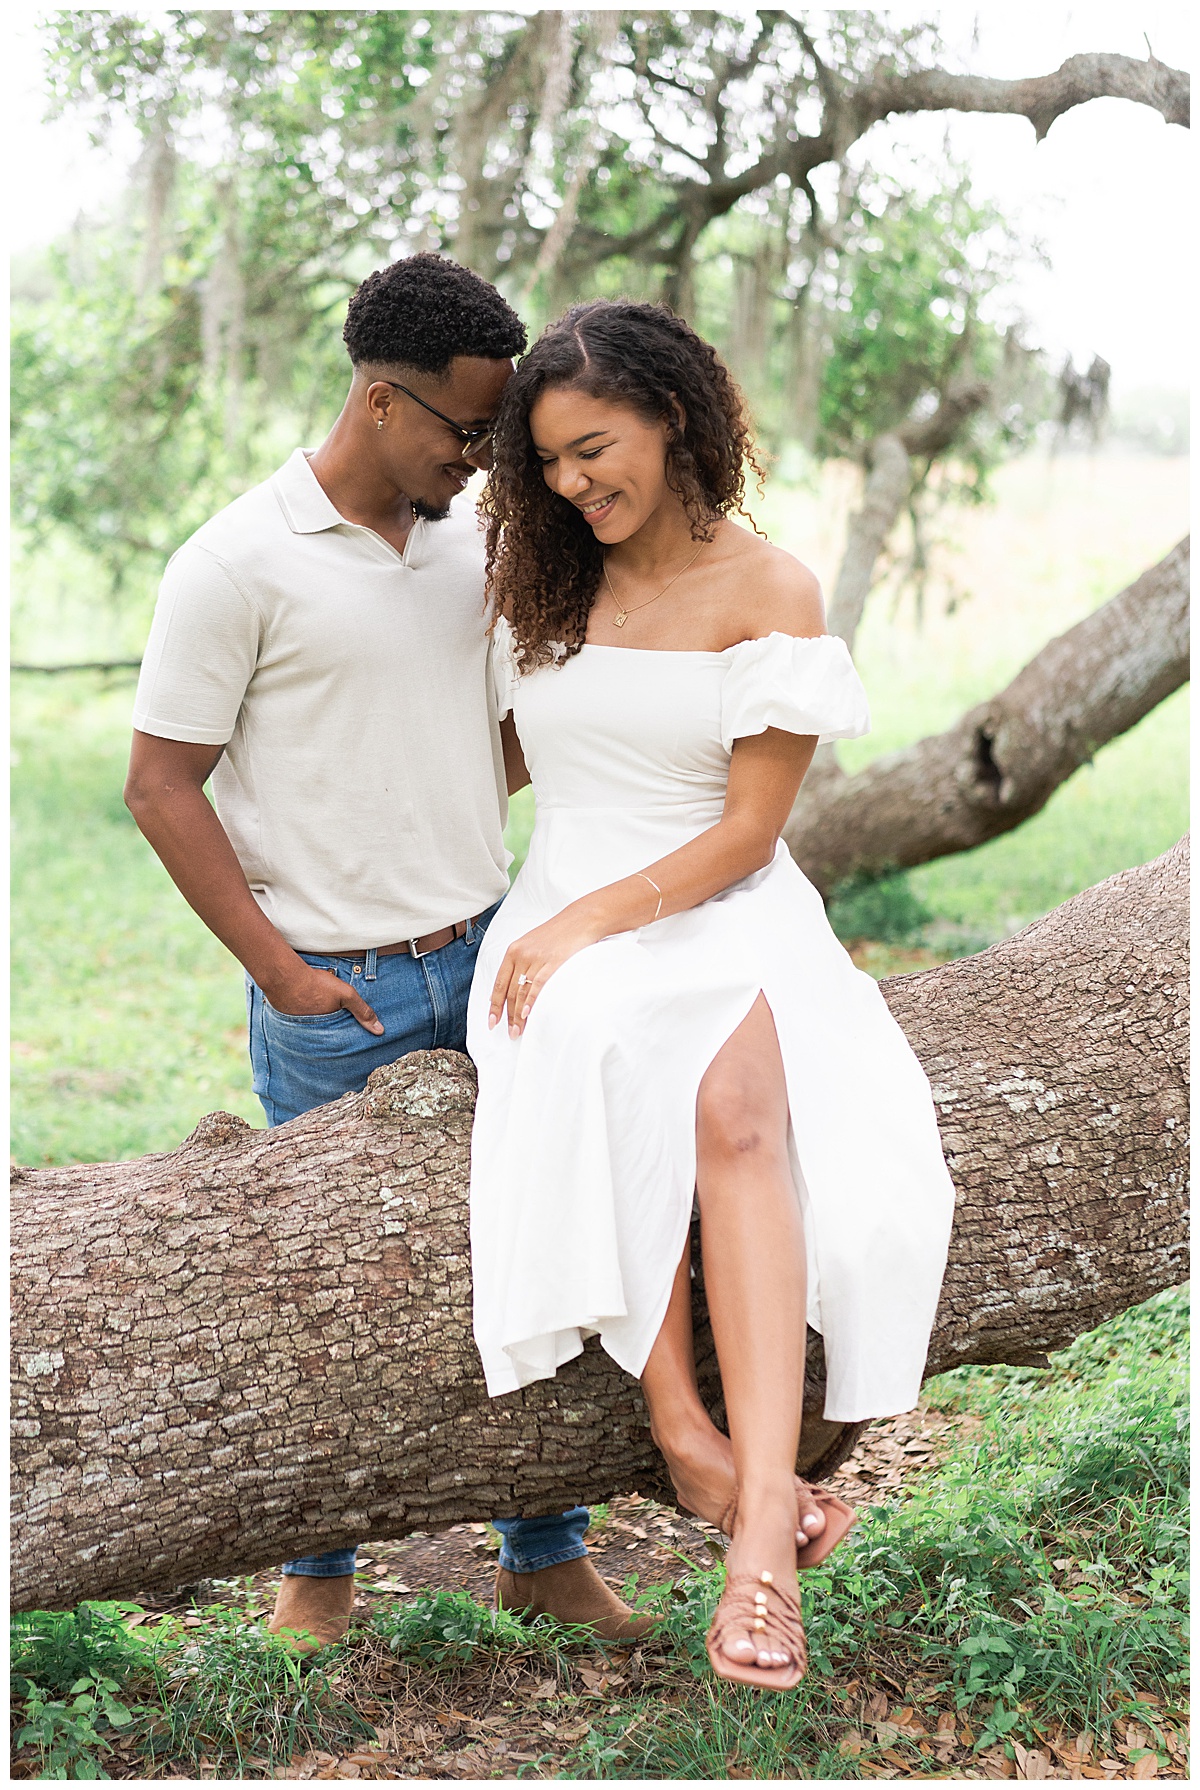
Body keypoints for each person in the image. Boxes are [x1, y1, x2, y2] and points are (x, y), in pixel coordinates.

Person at [123, 255, 652, 1654]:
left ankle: (544, 1551)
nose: (485, 460)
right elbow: (160, 783)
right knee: (325, 1291)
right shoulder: (234, 562)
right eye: (465, 431)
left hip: (491, 958)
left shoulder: (473, 542)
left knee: (540, 1251)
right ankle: (319, 1571)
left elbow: (507, 730)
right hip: (331, 993)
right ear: (377, 398)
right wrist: (286, 971)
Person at [466, 300, 956, 1689]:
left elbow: (748, 833)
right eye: (548, 463)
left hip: (720, 903)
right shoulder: (542, 581)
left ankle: (754, 1545)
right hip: (565, 906)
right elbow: (490, 763)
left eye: (593, 448)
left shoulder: (773, 592)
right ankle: (688, 1426)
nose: (571, 485)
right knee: (608, 1053)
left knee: (740, 1104)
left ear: (672, 415)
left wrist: (592, 926)